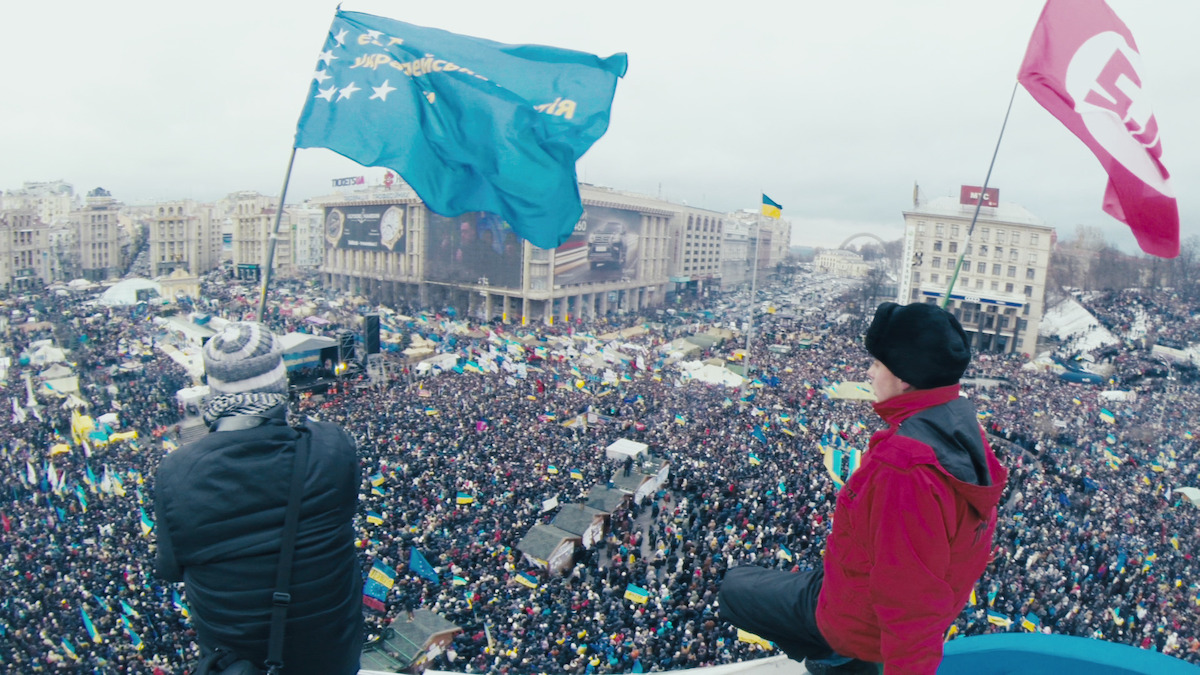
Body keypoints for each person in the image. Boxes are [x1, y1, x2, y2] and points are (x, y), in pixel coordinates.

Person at [720, 302, 1009, 674]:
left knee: (733, 588)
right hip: (860, 593)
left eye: (876, 364)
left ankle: (837, 657)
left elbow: (912, 601)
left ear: (904, 377)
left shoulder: (904, 467)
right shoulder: (959, 424)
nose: (869, 373)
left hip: (857, 622)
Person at [154, 321, 363, 674]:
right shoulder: (333, 448)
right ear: (280, 384)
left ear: (213, 393)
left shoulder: (177, 472)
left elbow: (170, 569)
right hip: (330, 658)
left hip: (239, 661)